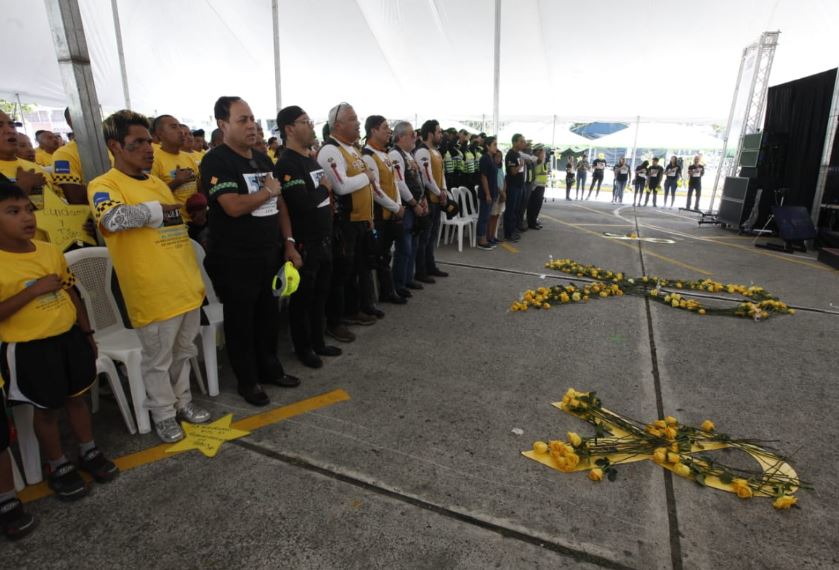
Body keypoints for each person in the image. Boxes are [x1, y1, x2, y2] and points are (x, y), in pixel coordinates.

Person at [89, 110, 211, 442]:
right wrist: (160, 210)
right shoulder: (104, 184)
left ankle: (183, 402)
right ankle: (164, 413)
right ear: (115, 145)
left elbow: (174, 231)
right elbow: (112, 220)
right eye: (138, 142)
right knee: (158, 361)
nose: (148, 148)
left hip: (185, 286)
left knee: (184, 353)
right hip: (152, 293)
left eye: (148, 140)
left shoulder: (156, 182)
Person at [0, 181, 118, 499]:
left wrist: (87, 331)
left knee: (76, 398)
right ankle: (58, 464)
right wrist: (32, 291)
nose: (27, 218)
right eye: (13, 212)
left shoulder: (50, 250)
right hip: (29, 348)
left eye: (28, 210)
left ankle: (88, 450)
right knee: (47, 410)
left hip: (68, 338)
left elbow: (70, 292)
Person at [201, 96, 301, 407]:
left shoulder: (262, 160)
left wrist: (288, 243)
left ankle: (270, 369)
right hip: (235, 259)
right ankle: (248, 381)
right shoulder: (216, 161)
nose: (252, 125)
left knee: (268, 317)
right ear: (223, 124)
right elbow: (231, 207)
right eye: (242, 119)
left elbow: (280, 204)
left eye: (253, 119)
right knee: (241, 322)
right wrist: (267, 191)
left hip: (269, 254)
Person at [274, 105, 342, 369]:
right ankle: (303, 348)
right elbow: (301, 203)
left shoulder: (310, 159)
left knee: (320, 295)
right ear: (290, 129)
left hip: (324, 238)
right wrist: (325, 189)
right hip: (305, 242)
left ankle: (318, 341)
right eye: (305, 121)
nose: (311, 125)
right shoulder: (288, 163)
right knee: (303, 299)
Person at [318, 102, 381, 338]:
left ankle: (353, 310)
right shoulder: (330, 150)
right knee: (341, 272)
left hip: (361, 220)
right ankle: (334, 321)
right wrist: (367, 176)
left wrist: (370, 216)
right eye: (353, 119)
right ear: (338, 125)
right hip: (345, 222)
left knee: (356, 269)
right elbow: (341, 186)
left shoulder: (352, 149)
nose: (357, 123)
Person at [361, 116, 406, 306]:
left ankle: (388, 290)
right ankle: (380, 295)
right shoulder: (368, 156)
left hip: (391, 214)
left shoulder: (384, 154)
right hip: (379, 215)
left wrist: (398, 204)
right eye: (385, 127)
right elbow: (375, 190)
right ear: (373, 131)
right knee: (378, 256)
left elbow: (394, 183)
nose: (389, 131)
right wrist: (396, 207)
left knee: (386, 254)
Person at [389, 121, 427, 295]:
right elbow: (400, 184)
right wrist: (414, 203)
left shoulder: (408, 154)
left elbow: (418, 179)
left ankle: (408, 278)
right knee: (404, 247)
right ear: (401, 136)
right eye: (411, 134)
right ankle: (399, 283)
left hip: (416, 205)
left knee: (413, 244)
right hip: (407, 206)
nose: (415, 137)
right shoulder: (396, 155)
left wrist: (423, 199)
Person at [414, 120, 449, 281]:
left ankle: (431, 265)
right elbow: (426, 177)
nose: (441, 135)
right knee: (424, 238)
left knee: (432, 236)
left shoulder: (436, 151)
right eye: (439, 132)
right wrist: (438, 192)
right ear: (430, 134)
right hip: (429, 199)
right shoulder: (422, 151)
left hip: (437, 199)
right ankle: (421, 271)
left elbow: (441, 174)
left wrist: (444, 190)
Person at [150, 115, 199, 219]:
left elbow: (198, 185)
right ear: (160, 133)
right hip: (174, 224)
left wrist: (201, 208)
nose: (181, 131)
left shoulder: (188, 157)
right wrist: (177, 182)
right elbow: (153, 196)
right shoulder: (153, 160)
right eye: (174, 127)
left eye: (180, 127)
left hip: (196, 219)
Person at [51, 107, 91, 204]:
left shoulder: (113, 145)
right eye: (86, 116)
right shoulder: (62, 155)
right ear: (70, 122)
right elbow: (75, 198)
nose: (93, 120)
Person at [477, 136, 499, 250]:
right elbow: (484, 177)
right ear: (487, 146)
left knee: (487, 216)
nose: (496, 147)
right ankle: (481, 239)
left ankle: (486, 237)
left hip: (493, 192)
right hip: (487, 193)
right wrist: (488, 194)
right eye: (494, 144)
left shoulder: (492, 158)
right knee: (484, 217)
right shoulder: (485, 158)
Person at [504, 134, 526, 241]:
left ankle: (513, 230)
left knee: (516, 209)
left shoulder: (518, 154)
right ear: (515, 142)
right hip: (513, 186)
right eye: (521, 141)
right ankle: (508, 233)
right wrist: (520, 166)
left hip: (519, 185)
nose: (524, 143)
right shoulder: (511, 155)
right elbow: (512, 171)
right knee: (510, 210)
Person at [527, 144, 548, 229]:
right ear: (537, 152)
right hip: (535, 187)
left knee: (538, 206)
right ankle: (531, 223)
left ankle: (534, 221)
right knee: (533, 206)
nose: (544, 154)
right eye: (542, 152)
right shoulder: (535, 160)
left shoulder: (543, 162)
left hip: (541, 186)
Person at [488, 149, 505, 243]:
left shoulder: (500, 169)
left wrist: (504, 192)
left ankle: (494, 236)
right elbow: (495, 183)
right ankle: (490, 236)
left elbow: (504, 180)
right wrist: (501, 192)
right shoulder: (493, 168)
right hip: (496, 194)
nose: (499, 159)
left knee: (497, 216)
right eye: (497, 157)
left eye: (500, 157)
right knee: (493, 216)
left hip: (501, 194)